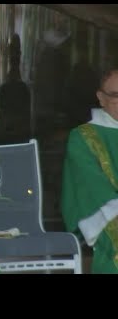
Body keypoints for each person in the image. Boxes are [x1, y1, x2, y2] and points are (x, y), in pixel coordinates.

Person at [62, 69, 118, 273]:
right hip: (106, 215)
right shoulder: (83, 137)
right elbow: (92, 186)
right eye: (115, 95)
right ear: (101, 98)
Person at [0, 34, 31, 145]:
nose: (14, 56)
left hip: (15, 135)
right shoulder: (15, 88)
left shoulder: (19, 88)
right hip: (14, 135)